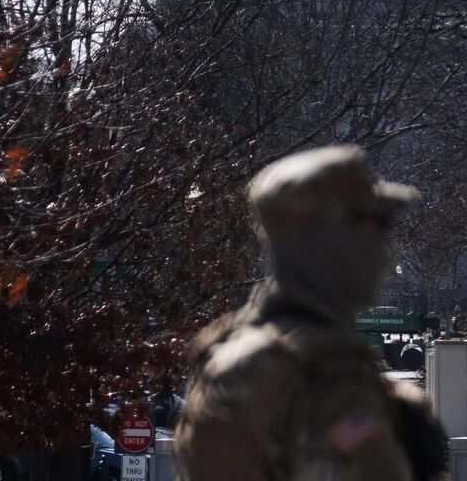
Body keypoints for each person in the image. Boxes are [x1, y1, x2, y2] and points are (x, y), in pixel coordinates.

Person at [176, 146, 447, 481]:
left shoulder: (224, 355)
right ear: (328, 239)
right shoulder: (327, 376)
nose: (386, 248)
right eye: (375, 225)